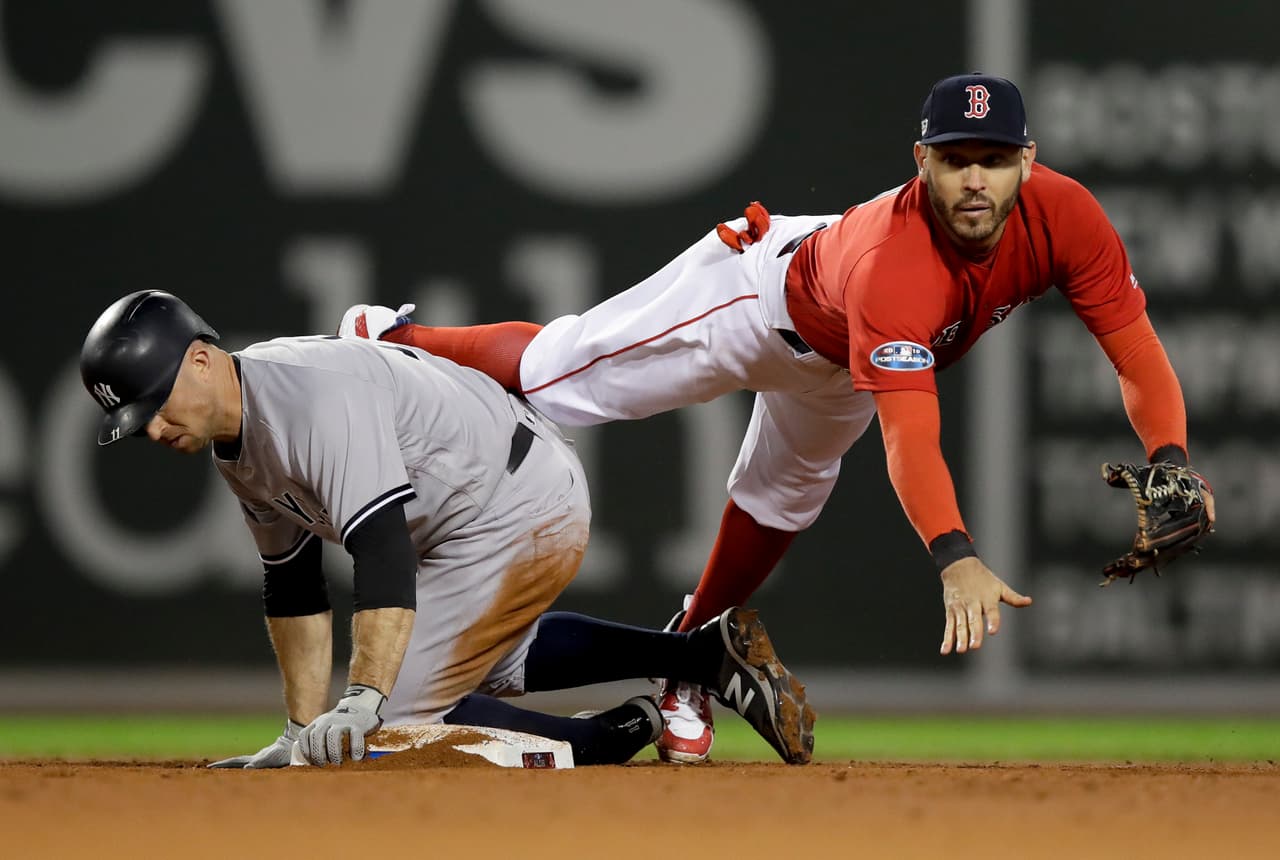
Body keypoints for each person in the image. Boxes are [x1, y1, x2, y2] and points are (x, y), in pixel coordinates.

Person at [336, 72, 1217, 764]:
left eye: (992, 157)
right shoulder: (898, 268)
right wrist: (954, 554)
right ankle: (392, 336)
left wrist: (1172, 455)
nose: (975, 178)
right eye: (956, 159)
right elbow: (912, 435)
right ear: (922, 162)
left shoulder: (1068, 218)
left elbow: (1134, 349)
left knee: (785, 496)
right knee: (560, 374)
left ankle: (690, 653)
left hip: (840, 357)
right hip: (754, 302)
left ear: (1030, 158)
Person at [79, 289, 816, 767]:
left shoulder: (306, 400)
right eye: (137, 421)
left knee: (388, 728)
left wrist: (364, 699)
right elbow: (294, 585)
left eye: (154, 405)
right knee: (475, 664)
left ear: (202, 361)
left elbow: (380, 550)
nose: (153, 429)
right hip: (485, 502)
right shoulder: (238, 446)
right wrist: (301, 732)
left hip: (516, 500)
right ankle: (699, 655)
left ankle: (608, 738)